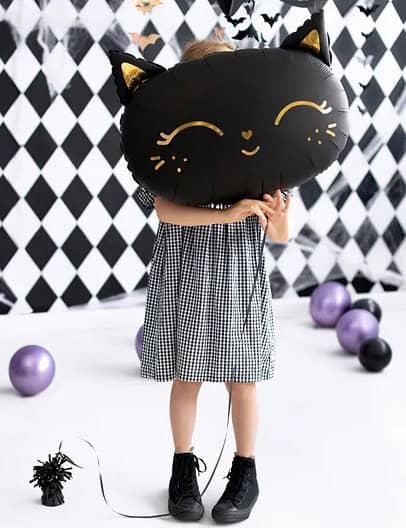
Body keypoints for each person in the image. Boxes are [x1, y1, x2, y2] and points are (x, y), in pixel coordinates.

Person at [133, 37, 292, 524]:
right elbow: (164, 209)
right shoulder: (166, 148)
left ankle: (246, 472)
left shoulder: (260, 147)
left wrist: (275, 213)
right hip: (186, 276)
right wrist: (228, 214)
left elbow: (281, 234)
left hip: (238, 279)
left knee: (243, 381)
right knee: (188, 377)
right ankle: (182, 469)